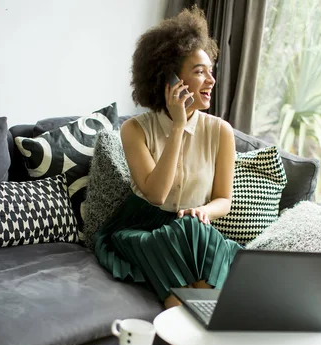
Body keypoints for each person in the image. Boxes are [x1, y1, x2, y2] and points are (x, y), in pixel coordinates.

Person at [94, 6, 241, 309]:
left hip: (193, 226)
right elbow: (157, 195)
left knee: (194, 230)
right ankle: (194, 330)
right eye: (200, 72)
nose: (211, 80)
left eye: (210, 70)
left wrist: (204, 213)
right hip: (142, 227)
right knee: (183, 236)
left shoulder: (221, 132)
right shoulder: (135, 129)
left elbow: (223, 200)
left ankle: (202, 329)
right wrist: (178, 127)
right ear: (169, 80)